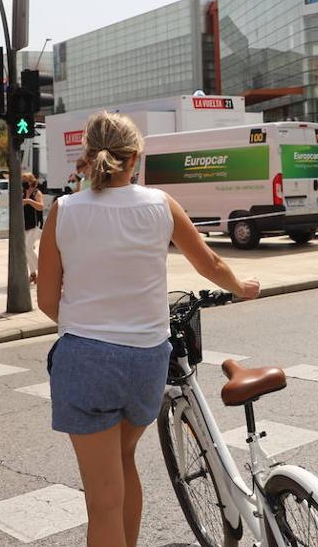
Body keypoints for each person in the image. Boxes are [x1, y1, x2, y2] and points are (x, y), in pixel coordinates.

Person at [35, 112, 259, 547]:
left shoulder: (64, 211)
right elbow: (210, 263)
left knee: (102, 500)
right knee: (124, 459)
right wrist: (241, 287)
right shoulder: (160, 204)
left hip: (87, 361)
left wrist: (89, 318)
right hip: (147, 361)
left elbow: (46, 301)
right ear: (135, 157)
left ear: (88, 157)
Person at [22, 172, 45, 283]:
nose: (23, 183)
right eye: (22, 181)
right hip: (25, 226)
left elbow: (41, 207)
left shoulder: (37, 192)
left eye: (25, 181)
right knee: (26, 250)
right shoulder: (23, 192)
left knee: (27, 248)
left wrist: (29, 201)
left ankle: (43, 271)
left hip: (35, 225)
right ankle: (33, 274)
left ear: (31, 181)